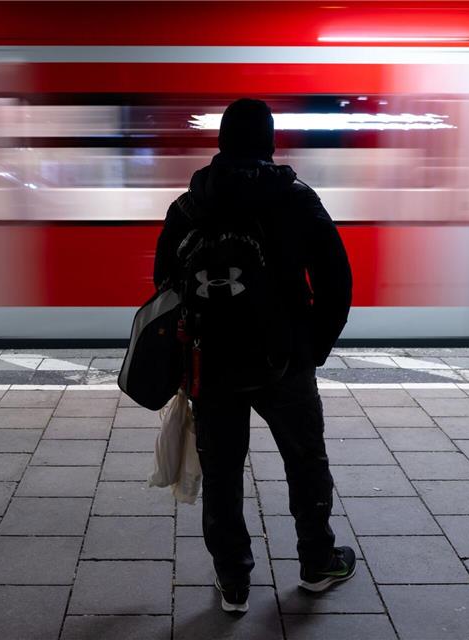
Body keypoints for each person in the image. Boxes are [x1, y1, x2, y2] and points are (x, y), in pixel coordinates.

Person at [152, 98, 354, 613]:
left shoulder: (188, 205)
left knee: (221, 471)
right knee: (305, 460)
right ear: (269, 141)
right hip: (285, 359)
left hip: (212, 362)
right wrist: (313, 347)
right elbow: (337, 280)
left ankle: (233, 581)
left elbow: (164, 284)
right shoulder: (297, 199)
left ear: (220, 142)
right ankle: (316, 563)